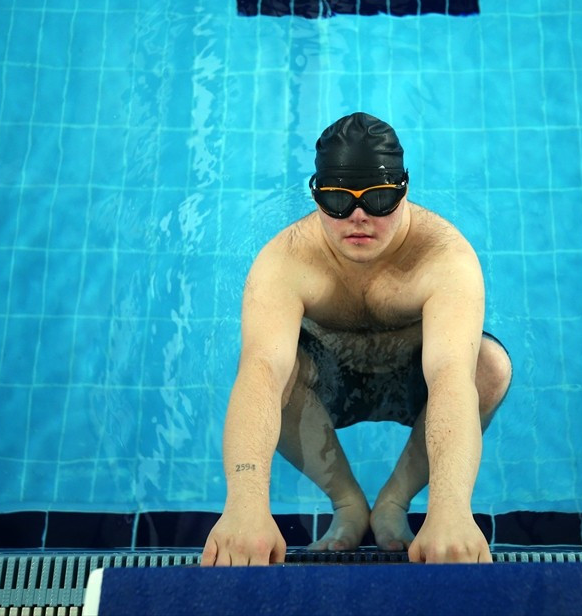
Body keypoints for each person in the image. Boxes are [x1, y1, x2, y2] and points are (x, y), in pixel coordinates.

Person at [200, 112, 512, 566]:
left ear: (405, 189)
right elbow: (261, 374)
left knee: (487, 367)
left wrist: (451, 512)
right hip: (328, 386)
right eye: (337, 200)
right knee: (268, 368)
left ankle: (394, 502)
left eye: (380, 198)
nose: (359, 218)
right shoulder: (285, 261)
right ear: (316, 193)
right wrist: (244, 506)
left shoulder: (444, 257)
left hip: (413, 385)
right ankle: (347, 503)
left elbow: (449, 377)